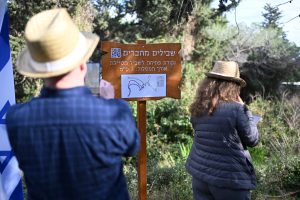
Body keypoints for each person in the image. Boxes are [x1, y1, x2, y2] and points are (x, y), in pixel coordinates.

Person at [6, 8, 140, 200]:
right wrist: (111, 102)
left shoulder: (16, 118)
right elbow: (132, 147)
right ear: (82, 63)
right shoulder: (114, 113)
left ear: (39, 71)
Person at [186, 61, 259, 200]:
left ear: (208, 83)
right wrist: (247, 112)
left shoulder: (199, 106)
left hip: (201, 175)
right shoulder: (237, 109)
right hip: (230, 179)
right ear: (233, 86)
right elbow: (252, 139)